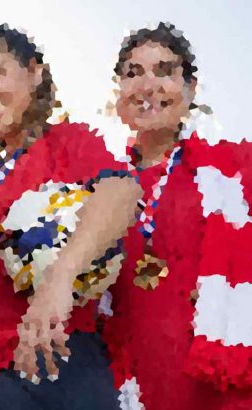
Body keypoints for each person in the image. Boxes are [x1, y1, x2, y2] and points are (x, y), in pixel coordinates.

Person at [0, 22, 140, 409]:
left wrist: (59, 280)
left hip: (59, 362)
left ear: (34, 72)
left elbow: (121, 193)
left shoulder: (67, 143)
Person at [96, 22, 252, 409]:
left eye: (164, 71)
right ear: (119, 91)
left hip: (216, 383)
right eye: (133, 73)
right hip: (131, 384)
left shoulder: (234, 170)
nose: (148, 86)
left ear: (190, 88)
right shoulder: (100, 186)